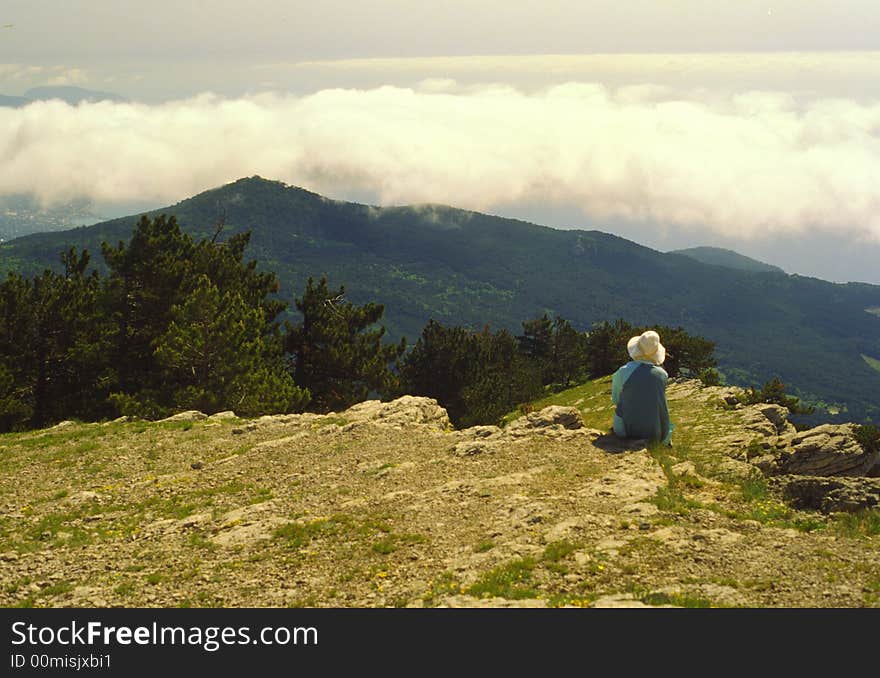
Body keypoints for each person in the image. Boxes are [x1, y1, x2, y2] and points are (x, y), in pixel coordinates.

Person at [611, 330, 674, 445]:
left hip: (625, 431)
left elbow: (615, 399)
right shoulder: (662, 375)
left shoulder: (623, 371)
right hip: (655, 433)